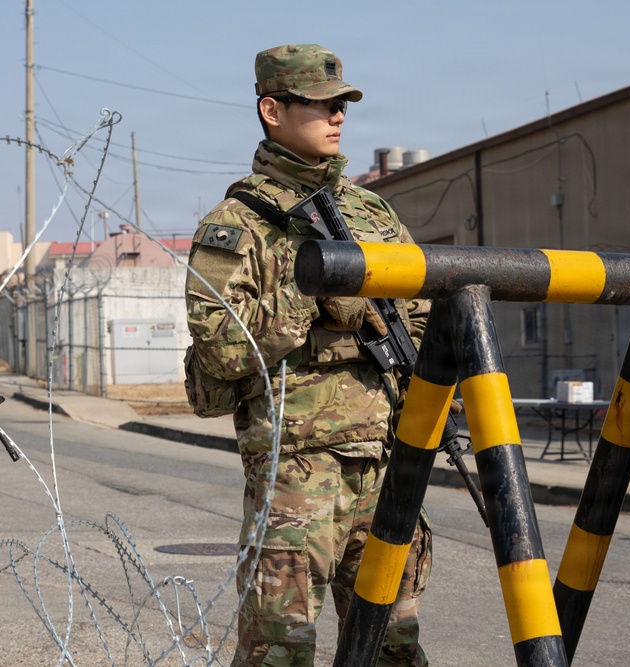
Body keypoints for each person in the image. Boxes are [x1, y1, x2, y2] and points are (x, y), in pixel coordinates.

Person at [184, 44, 431, 666]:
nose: (338, 114)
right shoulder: (238, 222)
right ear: (272, 109)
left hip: (383, 459)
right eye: (320, 103)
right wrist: (310, 300)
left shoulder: (370, 210)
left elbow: (425, 310)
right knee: (279, 650)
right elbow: (217, 345)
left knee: (393, 647)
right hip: (298, 469)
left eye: (342, 103)